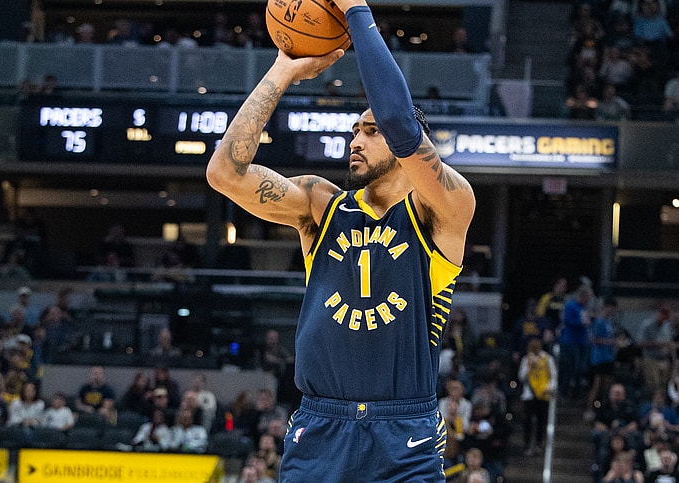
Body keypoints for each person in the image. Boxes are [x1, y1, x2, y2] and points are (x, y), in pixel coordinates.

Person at [206, 0, 475, 478]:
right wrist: (282, 71)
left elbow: (399, 122)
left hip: (403, 431)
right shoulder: (321, 205)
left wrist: (355, 10)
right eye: (354, 130)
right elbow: (224, 173)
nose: (355, 140)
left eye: (369, 131)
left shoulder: (444, 210)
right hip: (319, 424)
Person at [518, 338, 557, 456]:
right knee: (528, 420)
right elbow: (521, 377)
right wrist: (529, 366)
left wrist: (550, 388)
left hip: (543, 394)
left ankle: (539, 443)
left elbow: (553, 376)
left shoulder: (547, 359)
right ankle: (527, 444)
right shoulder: (526, 360)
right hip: (529, 394)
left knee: (541, 419)